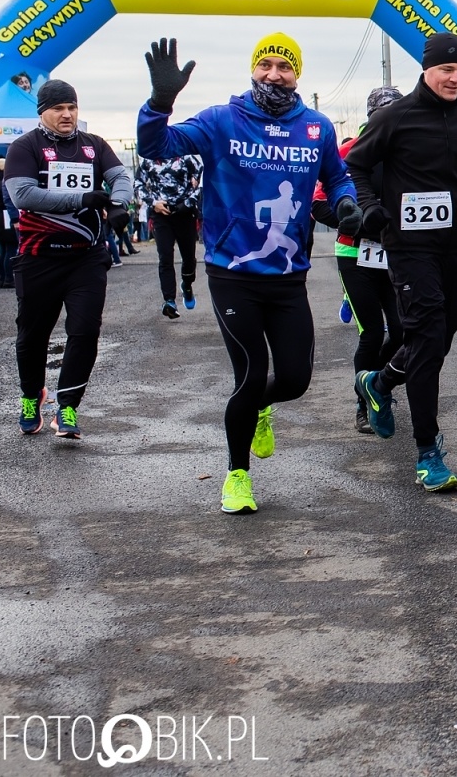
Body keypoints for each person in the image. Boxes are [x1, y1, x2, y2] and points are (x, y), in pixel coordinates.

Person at [137, 35, 359, 513]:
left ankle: (260, 408)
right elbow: (156, 146)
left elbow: (338, 176)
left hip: (289, 276)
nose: (274, 74)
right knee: (251, 373)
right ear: (252, 70)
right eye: (265, 64)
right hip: (232, 272)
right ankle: (237, 476)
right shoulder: (222, 120)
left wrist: (345, 202)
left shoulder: (316, 127)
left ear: (297, 75)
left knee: (295, 380)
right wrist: (160, 102)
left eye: (285, 66)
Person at [348, 33, 457, 493]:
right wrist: (370, 206)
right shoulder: (395, 117)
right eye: (446, 70)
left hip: (454, 244)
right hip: (407, 245)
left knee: (442, 334)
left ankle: (379, 382)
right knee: (427, 335)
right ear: (426, 69)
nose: (454, 78)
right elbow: (356, 165)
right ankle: (427, 451)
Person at [7, 79, 132, 438]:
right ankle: (31, 395)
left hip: (86, 259)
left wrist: (119, 203)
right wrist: (82, 199)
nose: (67, 114)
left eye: (72, 107)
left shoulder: (94, 145)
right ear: (42, 111)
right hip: (38, 258)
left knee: (85, 331)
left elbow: (120, 176)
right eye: (58, 108)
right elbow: (23, 195)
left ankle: (67, 407)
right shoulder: (25, 146)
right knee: (32, 336)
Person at [315, 85, 404, 434]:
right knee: (372, 333)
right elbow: (317, 203)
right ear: (372, 116)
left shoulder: (410, 151)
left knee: (402, 332)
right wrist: (353, 221)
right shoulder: (350, 149)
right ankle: (362, 406)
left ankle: (375, 384)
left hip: (395, 255)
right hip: (355, 253)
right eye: (384, 112)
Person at [135, 153, 203, 318]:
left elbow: (203, 182)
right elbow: (138, 184)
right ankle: (169, 301)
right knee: (165, 256)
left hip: (184, 213)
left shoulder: (187, 158)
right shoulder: (148, 160)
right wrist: (153, 203)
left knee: (188, 258)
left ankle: (187, 285)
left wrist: (188, 202)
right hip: (161, 214)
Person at [0, 158, 14, 289]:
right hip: (7, 216)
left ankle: (2, 278)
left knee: (2, 249)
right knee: (11, 249)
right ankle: (8, 278)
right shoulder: (6, 182)